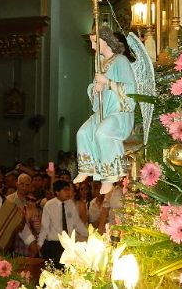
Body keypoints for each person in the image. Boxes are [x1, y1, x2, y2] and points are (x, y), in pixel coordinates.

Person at [74, 26, 136, 195]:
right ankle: (87, 168)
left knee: (102, 133)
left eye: (95, 42)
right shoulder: (100, 63)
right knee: (83, 133)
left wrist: (108, 83)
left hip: (119, 113)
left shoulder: (121, 61)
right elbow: (98, 92)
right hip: (103, 111)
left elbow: (131, 89)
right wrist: (95, 89)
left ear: (106, 41)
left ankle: (110, 176)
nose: (93, 47)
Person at [37, 180, 88, 268]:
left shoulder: (70, 204)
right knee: (54, 271)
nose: (68, 192)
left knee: (67, 271)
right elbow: (45, 227)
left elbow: (77, 223)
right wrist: (40, 243)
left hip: (68, 244)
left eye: (69, 190)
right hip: (54, 244)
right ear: (57, 192)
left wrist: (88, 234)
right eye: (65, 190)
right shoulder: (49, 205)